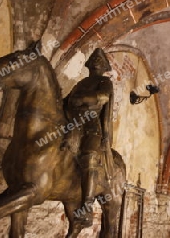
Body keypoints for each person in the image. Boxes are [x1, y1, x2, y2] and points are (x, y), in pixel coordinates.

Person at [65, 48, 114, 226]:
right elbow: (68, 99)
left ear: (103, 67)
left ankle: (86, 205)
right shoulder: (81, 82)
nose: (95, 64)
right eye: (94, 62)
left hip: (91, 126)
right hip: (72, 122)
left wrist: (83, 99)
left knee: (89, 157)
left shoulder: (105, 81)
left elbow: (103, 97)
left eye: (99, 63)